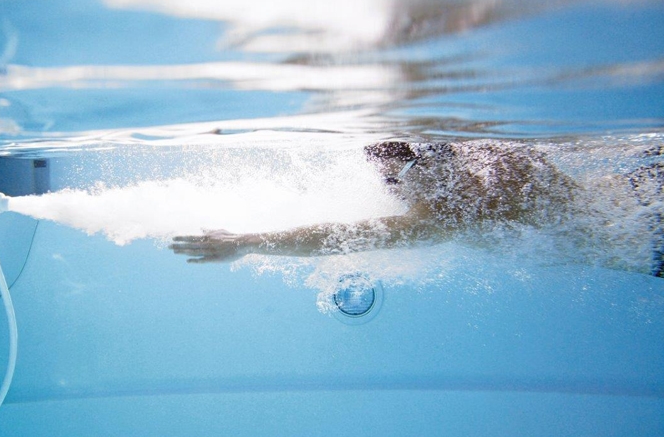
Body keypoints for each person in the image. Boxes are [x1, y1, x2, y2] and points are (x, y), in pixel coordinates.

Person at [170, 140, 663, 277]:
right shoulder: (488, 163)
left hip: (649, 233)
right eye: (389, 182)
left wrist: (249, 243)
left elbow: (345, 236)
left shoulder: (451, 211)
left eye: (397, 181)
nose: (394, 193)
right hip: (639, 196)